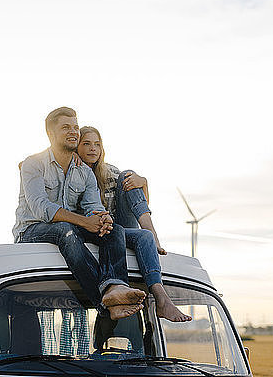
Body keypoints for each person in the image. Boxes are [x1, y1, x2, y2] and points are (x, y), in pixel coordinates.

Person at [12, 107, 146, 320]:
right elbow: (41, 208)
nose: (73, 131)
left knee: (115, 231)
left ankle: (115, 287)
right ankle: (104, 301)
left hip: (69, 228)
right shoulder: (33, 164)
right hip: (31, 232)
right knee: (66, 230)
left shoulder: (84, 172)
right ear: (50, 134)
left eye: (75, 127)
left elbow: (93, 206)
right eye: (66, 127)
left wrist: (103, 219)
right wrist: (85, 222)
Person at [77, 126, 192, 322]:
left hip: (118, 228)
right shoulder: (71, 174)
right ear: (76, 147)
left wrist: (143, 183)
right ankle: (148, 237)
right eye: (86, 144)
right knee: (129, 232)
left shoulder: (110, 171)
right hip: (92, 229)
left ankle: (161, 297)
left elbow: (135, 201)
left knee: (129, 176)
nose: (92, 149)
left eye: (97, 144)